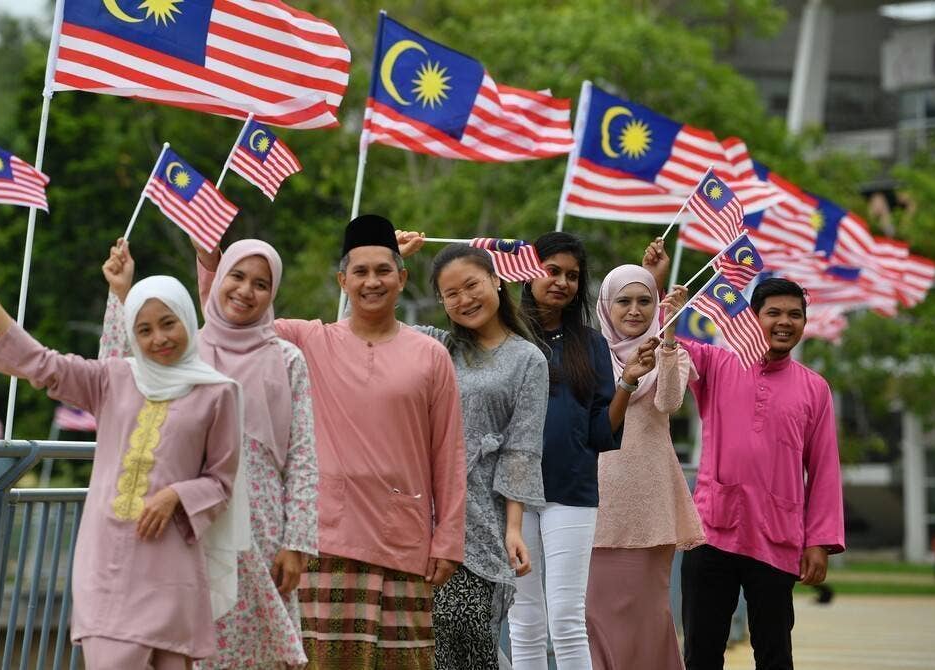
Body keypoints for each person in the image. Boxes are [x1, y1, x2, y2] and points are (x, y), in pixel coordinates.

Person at [195, 214, 466, 670]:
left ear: (402, 278)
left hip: (402, 540)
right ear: (343, 281)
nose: (372, 282)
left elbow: (449, 454)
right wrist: (210, 261)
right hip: (324, 543)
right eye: (360, 272)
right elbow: (231, 318)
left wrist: (449, 540)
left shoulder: (431, 355)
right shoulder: (309, 340)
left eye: (383, 271)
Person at [0, 248, 243, 670]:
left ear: (186, 318)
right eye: (144, 330)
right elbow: (43, 364)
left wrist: (176, 495)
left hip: (170, 564)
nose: (158, 339)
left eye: (168, 323)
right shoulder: (112, 378)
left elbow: (222, 480)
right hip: (106, 563)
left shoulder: (218, 392)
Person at [99, 239, 318, 669]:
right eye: (237, 276)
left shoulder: (287, 358)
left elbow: (303, 457)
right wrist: (121, 295)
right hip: (184, 518)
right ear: (219, 279)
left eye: (261, 284)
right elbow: (116, 380)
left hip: (260, 531)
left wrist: (297, 544)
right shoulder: (184, 350)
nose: (245, 291)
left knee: (251, 649)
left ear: (272, 293)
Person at [643, 241, 845, 670]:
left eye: (794, 314)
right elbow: (666, 339)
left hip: (777, 536)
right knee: (701, 652)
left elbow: (824, 470)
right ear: (753, 319)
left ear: (804, 323)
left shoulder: (815, 389)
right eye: (774, 313)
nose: (784, 322)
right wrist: (658, 287)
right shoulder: (717, 363)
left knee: (775, 654)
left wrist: (819, 543)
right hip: (711, 531)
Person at [396, 236, 549, 669]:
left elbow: (522, 449)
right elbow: (363, 327)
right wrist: (390, 261)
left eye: (472, 285)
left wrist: (514, 529)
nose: (464, 299)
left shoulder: (528, 359)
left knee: (470, 634)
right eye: (452, 293)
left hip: (484, 519)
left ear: (496, 281)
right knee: (426, 638)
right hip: (422, 512)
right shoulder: (436, 347)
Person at [507, 231, 654, 670]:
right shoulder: (504, 338)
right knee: (524, 621)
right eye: (552, 271)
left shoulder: (591, 344)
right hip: (511, 496)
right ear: (529, 272)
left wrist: (627, 382)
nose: (562, 282)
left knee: (567, 619)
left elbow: (600, 432)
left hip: (571, 493)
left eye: (572, 276)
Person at [586, 263, 706, 670]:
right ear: (606, 305)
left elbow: (669, 402)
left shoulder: (672, 354)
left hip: (651, 505)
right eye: (624, 301)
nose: (634, 310)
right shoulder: (587, 356)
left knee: (650, 615)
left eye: (644, 301)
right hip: (595, 501)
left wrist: (668, 340)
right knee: (595, 616)